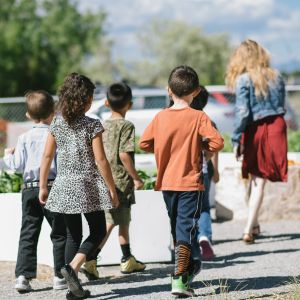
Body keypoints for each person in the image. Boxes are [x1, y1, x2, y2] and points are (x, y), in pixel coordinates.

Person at [139, 66, 224, 297]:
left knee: (178, 227)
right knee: (185, 229)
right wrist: (200, 146)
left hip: (167, 183)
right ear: (196, 92)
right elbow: (218, 143)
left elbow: (144, 143)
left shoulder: (160, 116)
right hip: (190, 183)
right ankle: (179, 279)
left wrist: (165, 148)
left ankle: (186, 269)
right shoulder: (199, 117)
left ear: (168, 90)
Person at [39, 73, 119, 299]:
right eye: (91, 97)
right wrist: (112, 189)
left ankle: (73, 289)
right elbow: (101, 160)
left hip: (63, 184)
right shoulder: (92, 124)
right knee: (98, 230)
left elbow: (46, 157)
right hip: (87, 184)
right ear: (84, 100)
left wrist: (44, 185)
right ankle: (72, 269)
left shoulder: (56, 123)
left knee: (73, 235)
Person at [81, 82, 146, 280]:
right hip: (120, 181)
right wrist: (136, 177)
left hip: (103, 178)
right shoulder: (127, 126)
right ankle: (90, 259)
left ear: (107, 103)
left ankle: (127, 258)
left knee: (122, 220)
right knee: (110, 222)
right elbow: (124, 155)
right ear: (130, 104)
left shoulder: (101, 124)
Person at [3, 91, 67, 293]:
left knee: (29, 233)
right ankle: (59, 276)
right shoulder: (57, 135)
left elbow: (16, 165)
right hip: (53, 186)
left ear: (28, 115)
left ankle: (23, 277)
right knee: (59, 233)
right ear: (53, 112)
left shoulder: (23, 138)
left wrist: (7, 154)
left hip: (30, 189)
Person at [226, 39, 288, 244]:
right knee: (256, 178)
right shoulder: (277, 77)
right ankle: (255, 224)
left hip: (256, 129)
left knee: (257, 178)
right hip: (276, 126)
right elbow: (282, 106)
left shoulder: (244, 79)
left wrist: (236, 138)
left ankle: (247, 230)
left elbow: (243, 112)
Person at [190, 86, 220, 260]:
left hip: (187, 171)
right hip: (205, 170)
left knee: (188, 208)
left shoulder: (187, 120)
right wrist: (214, 169)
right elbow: (215, 147)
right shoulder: (209, 121)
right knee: (204, 207)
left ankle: (190, 242)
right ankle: (205, 237)